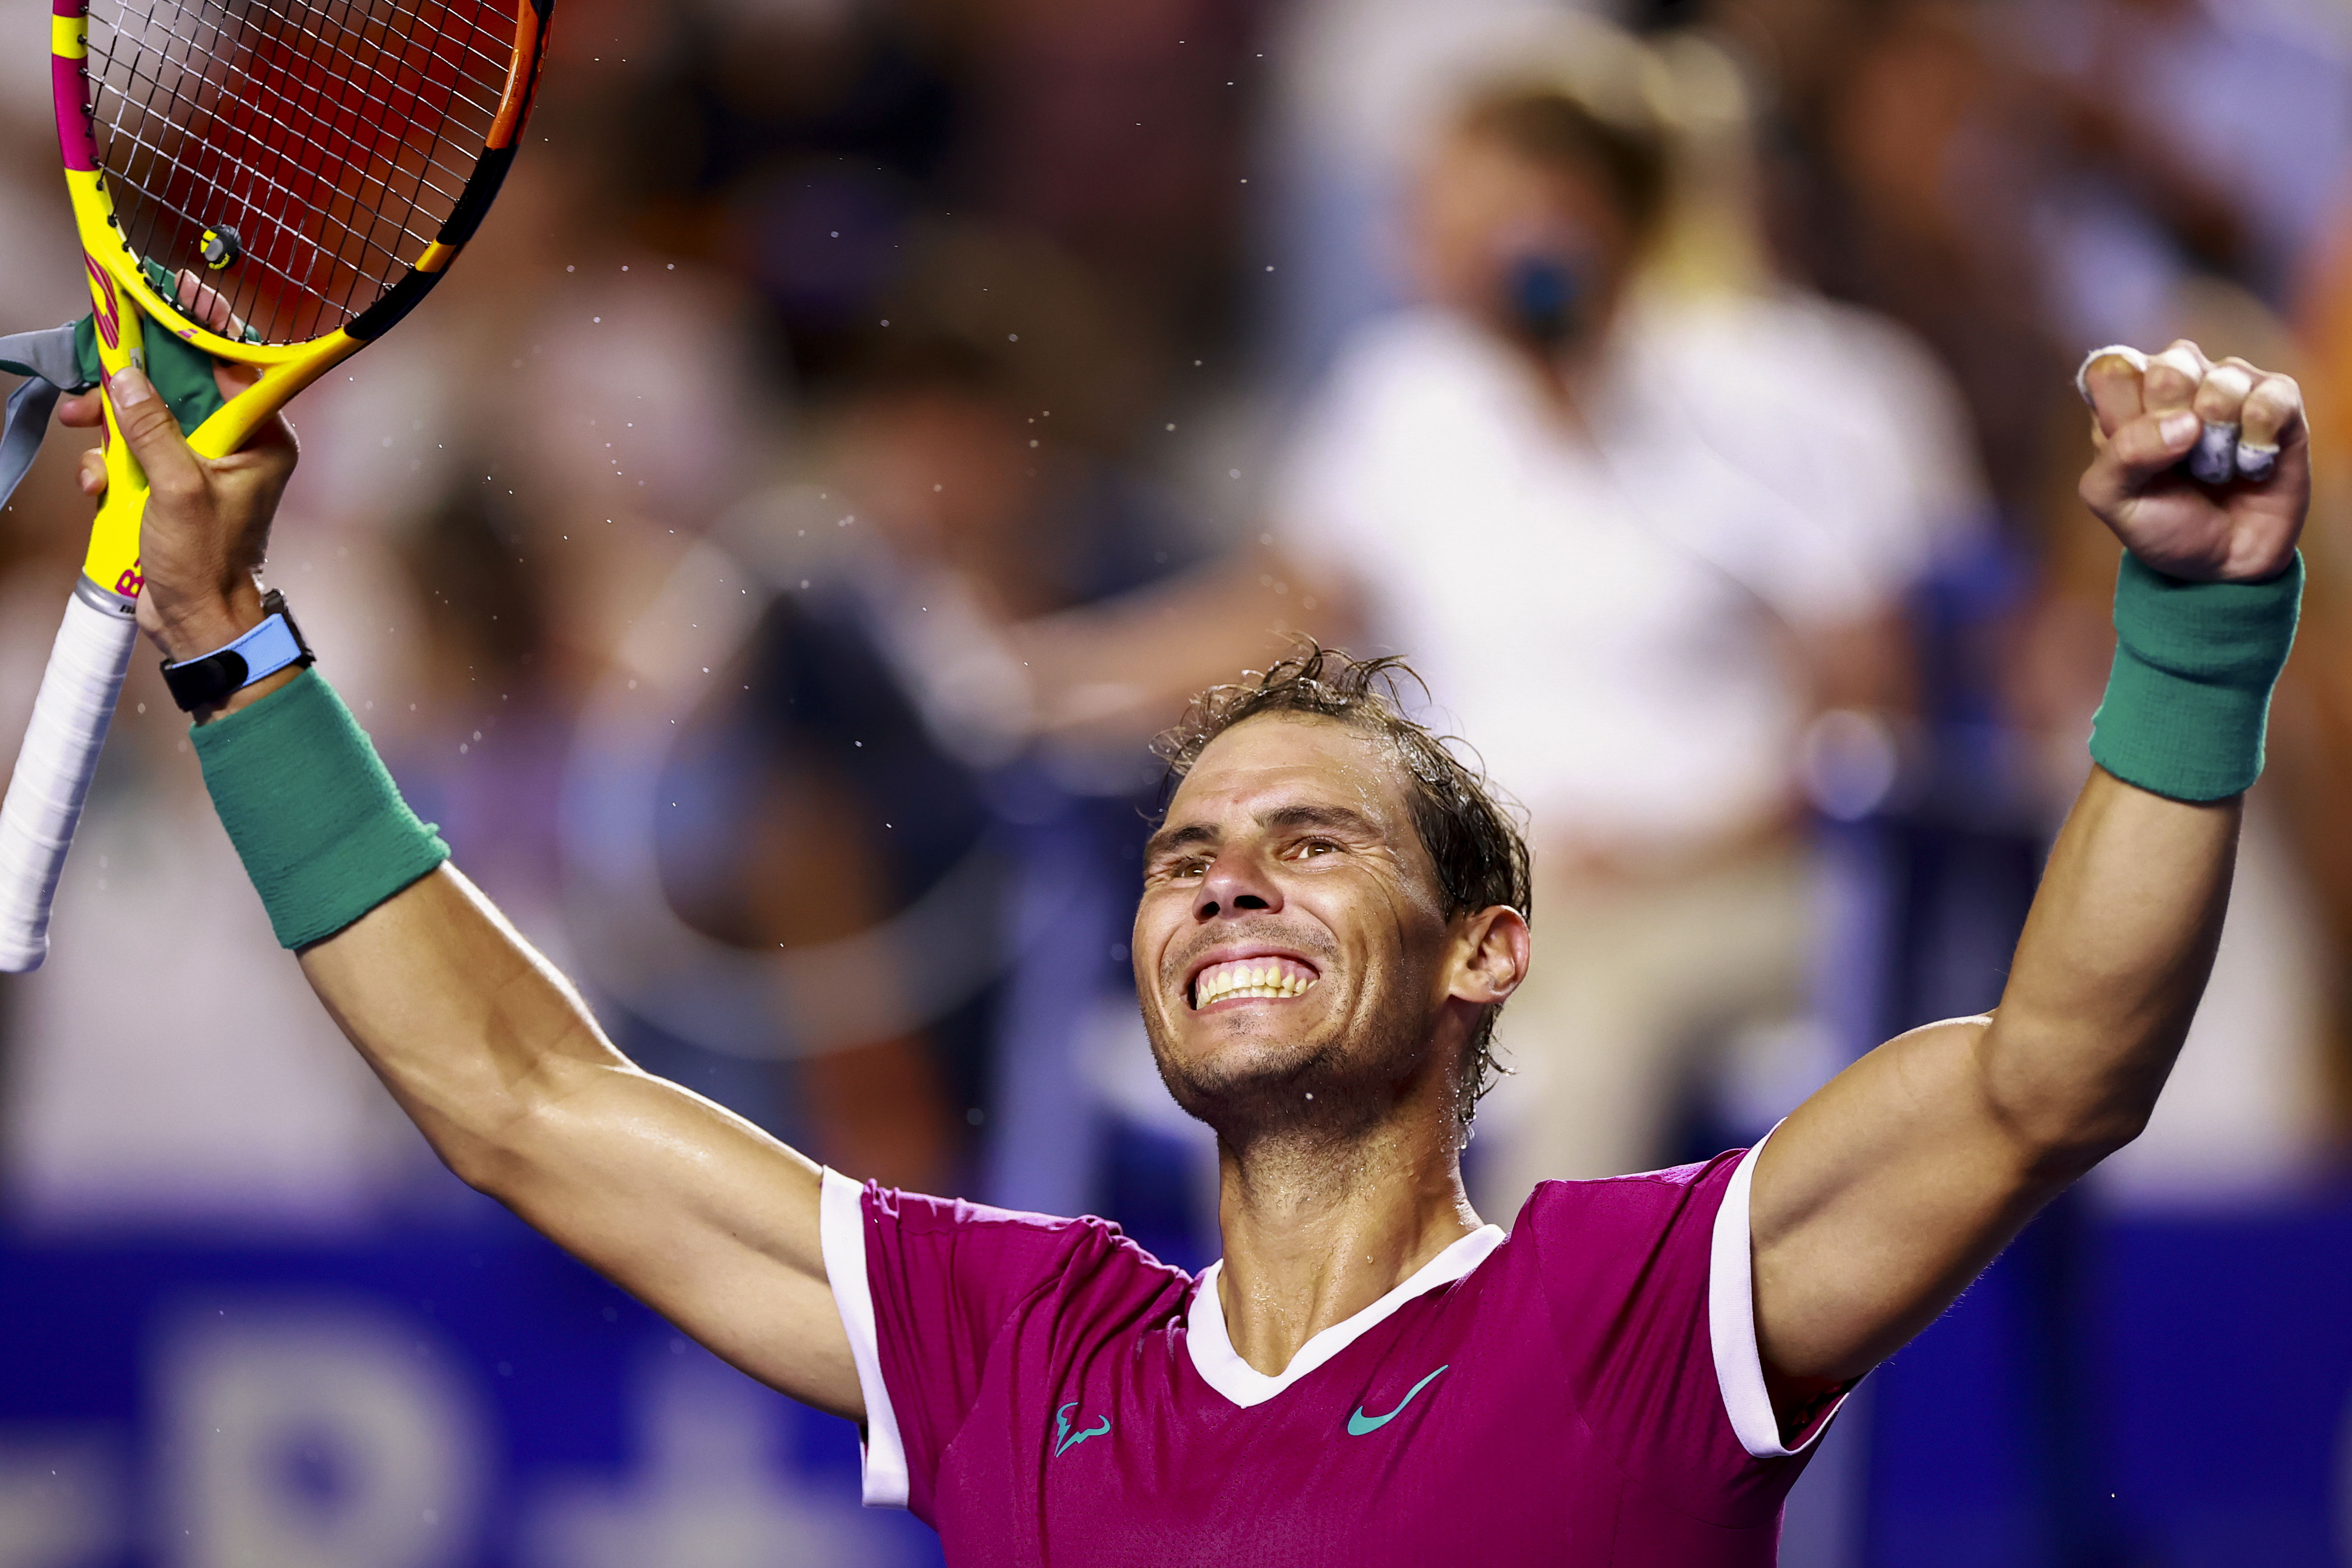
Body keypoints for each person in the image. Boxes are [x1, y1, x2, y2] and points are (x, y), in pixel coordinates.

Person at [61, 332, 2308, 1561]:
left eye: (1312, 842)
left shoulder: (1632, 1307)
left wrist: (2194, 636)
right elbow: (519, 1100)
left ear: (1482, 955)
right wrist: (231, 648)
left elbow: (2048, 1071)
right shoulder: (1018, 1343)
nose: (1220, 875)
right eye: (1181, 852)